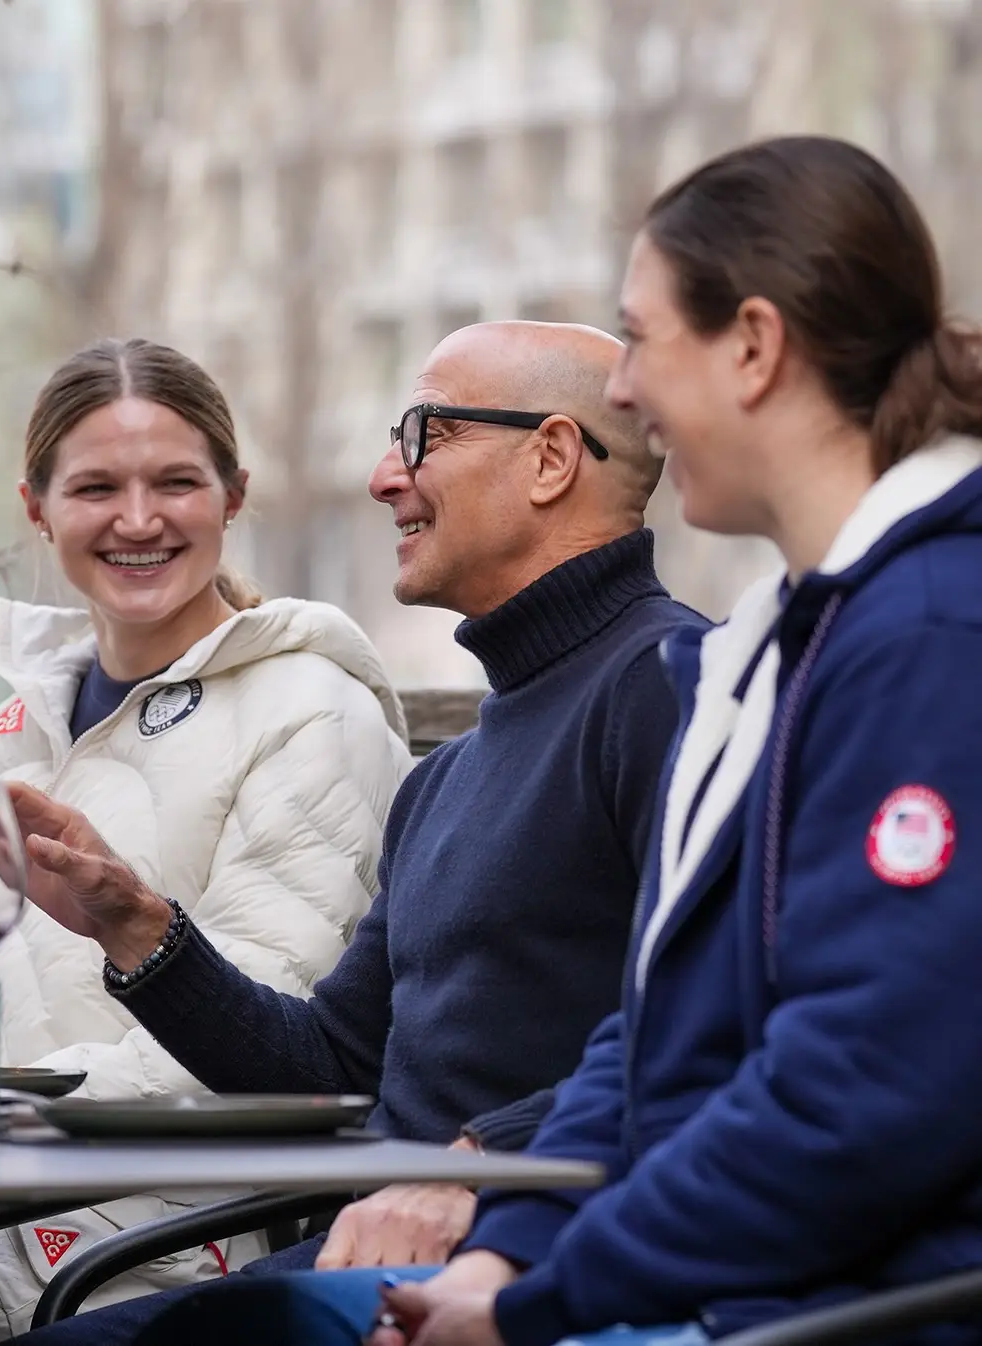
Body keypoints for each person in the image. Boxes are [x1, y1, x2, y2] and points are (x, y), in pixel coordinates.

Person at [120, 135, 982, 1346]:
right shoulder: (773, 652)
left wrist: (535, 1279)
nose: (626, 393)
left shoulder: (920, 638)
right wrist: (515, 1252)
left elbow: (868, 1087)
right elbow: (659, 1030)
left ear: (752, 345)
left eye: (642, 339)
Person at [9, 318, 708, 1345]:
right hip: (368, 1248)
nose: (384, 477)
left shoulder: (672, 690)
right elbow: (333, 1066)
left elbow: (721, 1020)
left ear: (552, 458)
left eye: (425, 434)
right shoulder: (454, 772)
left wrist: (485, 1162)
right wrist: (138, 930)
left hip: (524, 1261)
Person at [0, 338, 412, 1343]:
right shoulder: (6, 732)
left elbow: (268, 1037)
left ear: (233, 496)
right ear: (37, 507)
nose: (138, 520)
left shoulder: (314, 713)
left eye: (175, 482)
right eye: (96, 487)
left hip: (152, 1224)